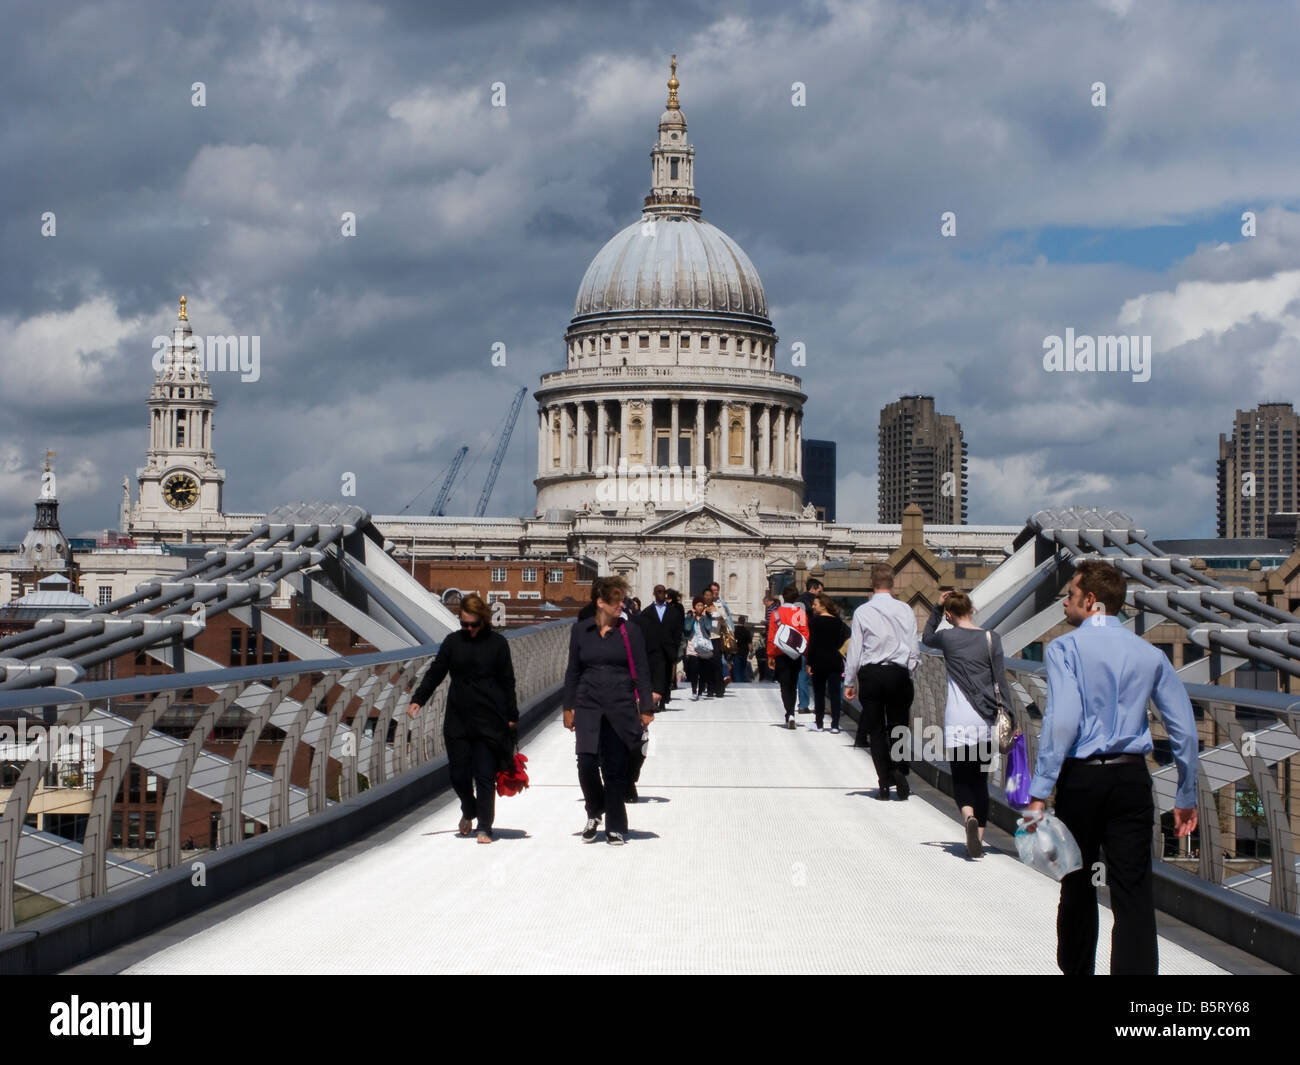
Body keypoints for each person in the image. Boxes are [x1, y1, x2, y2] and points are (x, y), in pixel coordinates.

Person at [1024, 560, 1199, 975]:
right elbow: (1185, 732)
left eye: (1069, 594)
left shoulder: (1064, 649)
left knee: (1077, 884)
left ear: (1091, 601)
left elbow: (1062, 720)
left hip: (1082, 780)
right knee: (1133, 892)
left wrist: (1038, 792)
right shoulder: (1150, 654)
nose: (1064, 602)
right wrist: (1186, 794)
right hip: (1131, 780)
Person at [408, 594, 518, 843]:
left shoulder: (498, 644)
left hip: (490, 718)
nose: (468, 629)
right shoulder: (452, 642)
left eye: (473, 625)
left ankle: (485, 827)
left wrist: (512, 715)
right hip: (458, 718)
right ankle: (469, 808)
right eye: (464, 624)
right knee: (458, 775)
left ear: (484, 621)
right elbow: (436, 672)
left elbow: (507, 681)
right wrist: (418, 698)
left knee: (484, 774)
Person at [563, 575, 657, 845]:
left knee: (615, 768)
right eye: (617, 601)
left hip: (620, 705)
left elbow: (641, 669)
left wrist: (646, 707)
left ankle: (615, 825)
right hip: (588, 704)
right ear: (600, 602)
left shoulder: (630, 631)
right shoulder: (581, 631)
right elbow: (573, 671)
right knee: (587, 765)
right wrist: (568, 706)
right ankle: (595, 810)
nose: (622, 606)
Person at [921, 590, 1014, 857]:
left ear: (949, 615)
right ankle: (979, 841)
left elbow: (926, 638)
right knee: (980, 781)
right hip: (984, 721)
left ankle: (968, 818)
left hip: (958, 721)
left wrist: (937, 609)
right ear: (972, 609)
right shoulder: (991, 638)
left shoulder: (947, 638)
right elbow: (1001, 681)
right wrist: (1011, 717)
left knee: (961, 779)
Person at [844, 564, 920, 800]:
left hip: (872, 674)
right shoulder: (905, 610)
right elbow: (913, 646)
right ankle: (899, 769)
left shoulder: (862, 612)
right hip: (897, 673)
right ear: (893, 582)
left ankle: (884, 782)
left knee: (876, 730)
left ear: (872, 583)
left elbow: (855, 649)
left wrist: (849, 681)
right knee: (898, 726)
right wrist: (910, 671)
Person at [766, 584, 810, 729]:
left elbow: (771, 636)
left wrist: (770, 655)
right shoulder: (800, 613)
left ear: (783, 597)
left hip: (780, 653)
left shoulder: (775, 614)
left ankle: (789, 713)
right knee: (793, 685)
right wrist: (804, 651)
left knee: (784, 686)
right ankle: (792, 714)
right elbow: (805, 634)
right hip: (796, 655)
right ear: (796, 597)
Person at [806, 593, 847, 733]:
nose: (813, 607)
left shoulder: (815, 622)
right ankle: (835, 725)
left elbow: (812, 644)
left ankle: (819, 724)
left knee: (819, 693)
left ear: (823, 606)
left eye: (815, 604)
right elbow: (846, 640)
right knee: (835, 693)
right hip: (835, 661)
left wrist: (809, 662)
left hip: (819, 661)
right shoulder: (839, 622)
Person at [796, 578, 823, 714]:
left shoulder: (798, 601)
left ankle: (803, 704)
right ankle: (820, 705)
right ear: (814, 588)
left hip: (800, 641)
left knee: (802, 673)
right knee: (819, 674)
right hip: (814, 640)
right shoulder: (817, 602)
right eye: (820, 590)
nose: (820, 593)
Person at [682, 595, 713, 700]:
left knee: (703, 671)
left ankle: (700, 691)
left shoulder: (707, 616)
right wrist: (693, 617)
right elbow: (687, 628)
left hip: (703, 646)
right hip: (692, 646)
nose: (700, 607)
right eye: (698, 605)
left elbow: (709, 628)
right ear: (694, 606)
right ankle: (694, 691)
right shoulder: (689, 617)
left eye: (701, 605)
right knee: (694, 670)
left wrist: (705, 617)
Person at [757, 593, 778, 682]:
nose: (765, 605)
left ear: (768, 601)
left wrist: (764, 622)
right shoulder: (777, 607)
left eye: (765, 603)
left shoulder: (771, 609)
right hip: (775, 634)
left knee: (769, 655)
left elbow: (771, 622)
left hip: (772, 635)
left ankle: (770, 676)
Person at [732, 616, 753, 683]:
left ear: (738, 621)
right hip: (744, 652)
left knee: (736, 668)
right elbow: (749, 644)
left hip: (736, 651)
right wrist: (751, 651)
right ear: (744, 622)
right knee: (743, 667)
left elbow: (732, 642)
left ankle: (738, 682)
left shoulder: (734, 630)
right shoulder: (747, 631)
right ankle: (742, 682)